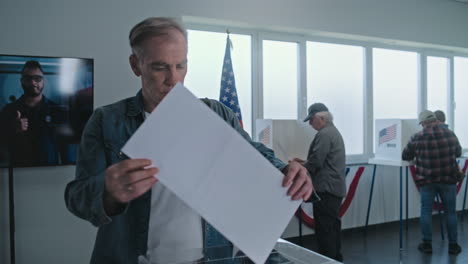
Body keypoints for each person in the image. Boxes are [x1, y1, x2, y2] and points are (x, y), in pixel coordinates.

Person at [64, 17, 313, 264]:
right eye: (160, 67)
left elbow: (256, 155)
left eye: (180, 66)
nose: (173, 80)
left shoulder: (216, 114)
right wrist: (107, 192)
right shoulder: (106, 121)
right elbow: (76, 198)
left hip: (215, 259)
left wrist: (289, 171)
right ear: (135, 64)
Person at [402, 110, 462, 255]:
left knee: (426, 212)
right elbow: (458, 152)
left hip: (427, 181)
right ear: (435, 119)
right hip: (448, 180)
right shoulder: (450, 134)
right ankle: (453, 246)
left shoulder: (417, 137)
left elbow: (405, 155)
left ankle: (427, 244)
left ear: (423, 123)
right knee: (451, 213)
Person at [291, 103, 346, 262]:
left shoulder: (324, 134)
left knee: (324, 231)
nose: (310, 123)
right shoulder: (333, 132)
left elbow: (316, 163)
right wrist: (303, 162)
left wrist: (297, 167)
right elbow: (324, 160)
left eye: (311, 119)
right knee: (333, 228)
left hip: (325, 189)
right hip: (334, 189)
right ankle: (336, 259)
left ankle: (326, 260)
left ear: (322, 117)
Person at [0, 60, 67, 166]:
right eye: (28, 78)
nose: (33, 83)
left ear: (43, 81)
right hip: (19, 174)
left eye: (37, 78)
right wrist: (13, 129)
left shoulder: (56, 110)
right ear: (21, 81)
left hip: (51, 172)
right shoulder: (9, 110)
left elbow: (65, 148)